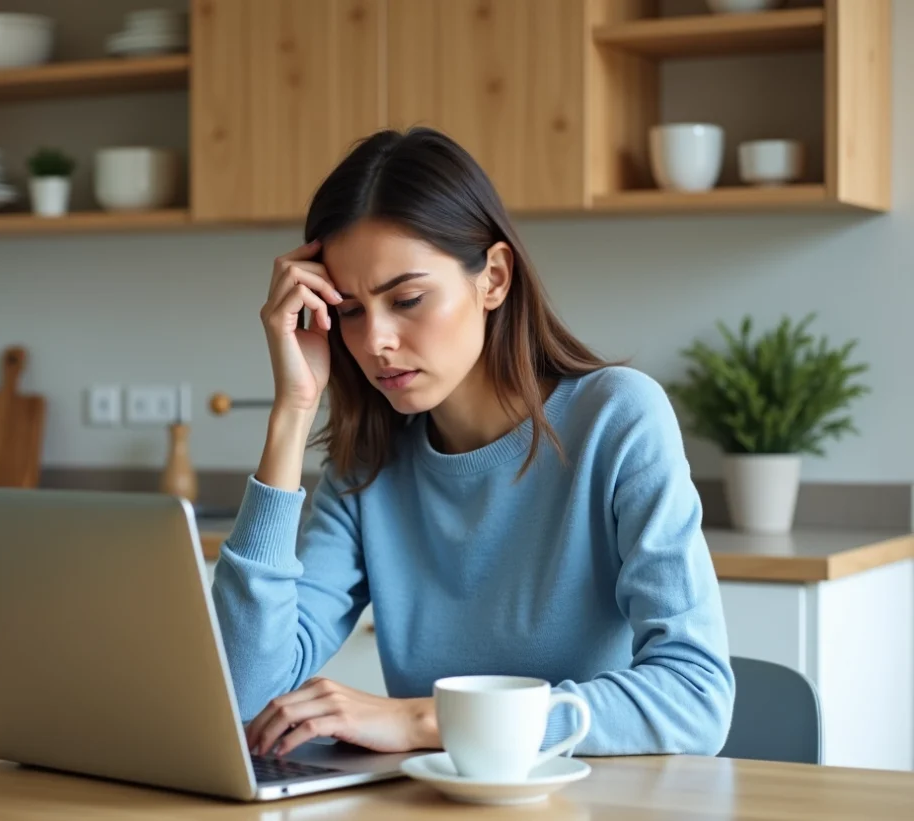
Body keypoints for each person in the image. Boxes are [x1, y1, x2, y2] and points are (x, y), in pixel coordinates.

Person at [210, 126, 734, 761]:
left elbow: (696, 697)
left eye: (407, 299)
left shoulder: (617, 417)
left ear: (493, 277)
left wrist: (429, 722)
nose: (374, 340)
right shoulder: (368, 465)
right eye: (349, 310)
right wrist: (292, 413)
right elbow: (243, 692)